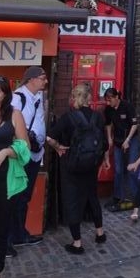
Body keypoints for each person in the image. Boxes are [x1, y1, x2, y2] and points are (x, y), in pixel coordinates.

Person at [46, 84, 109, 254]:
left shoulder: (68, 118)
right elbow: (104, 143)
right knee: (92, 196)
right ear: (89, 98)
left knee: (72, 201)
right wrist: (104, 159)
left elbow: (49, 136)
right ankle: (100, 233)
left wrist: (58, 146)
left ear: (75, 97)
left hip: (72, 165)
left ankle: (77, 243)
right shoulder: (98, 117)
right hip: (91, 165)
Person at [0, 75, 29, 278]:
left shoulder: (14, 115)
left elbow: (25, 147)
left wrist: (6, 152)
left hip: (4, 182)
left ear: (5, 94)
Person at [9, 65, 47, 249]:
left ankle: (19, 233)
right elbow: (11, 126)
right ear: (31, 79)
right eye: (42, 77)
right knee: (18, 196)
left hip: (35, 153)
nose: (45, 81)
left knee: (25, 196)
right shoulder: (18, 98)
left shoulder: (38, 97)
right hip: (22, 155)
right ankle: (14, 236)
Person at [103, 87, 139, 207]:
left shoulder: (127, 106)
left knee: (132, 168)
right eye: (106, 101)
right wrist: (109, 138)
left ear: (116, 97)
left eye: (110, 100)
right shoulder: (108, 109)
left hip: (131, 138)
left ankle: (137, 196)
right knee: (118, 170)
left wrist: (128, 140)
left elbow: (134, 124)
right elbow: (108, 124)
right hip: (118, 140)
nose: (108, 103)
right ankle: (118, 196)